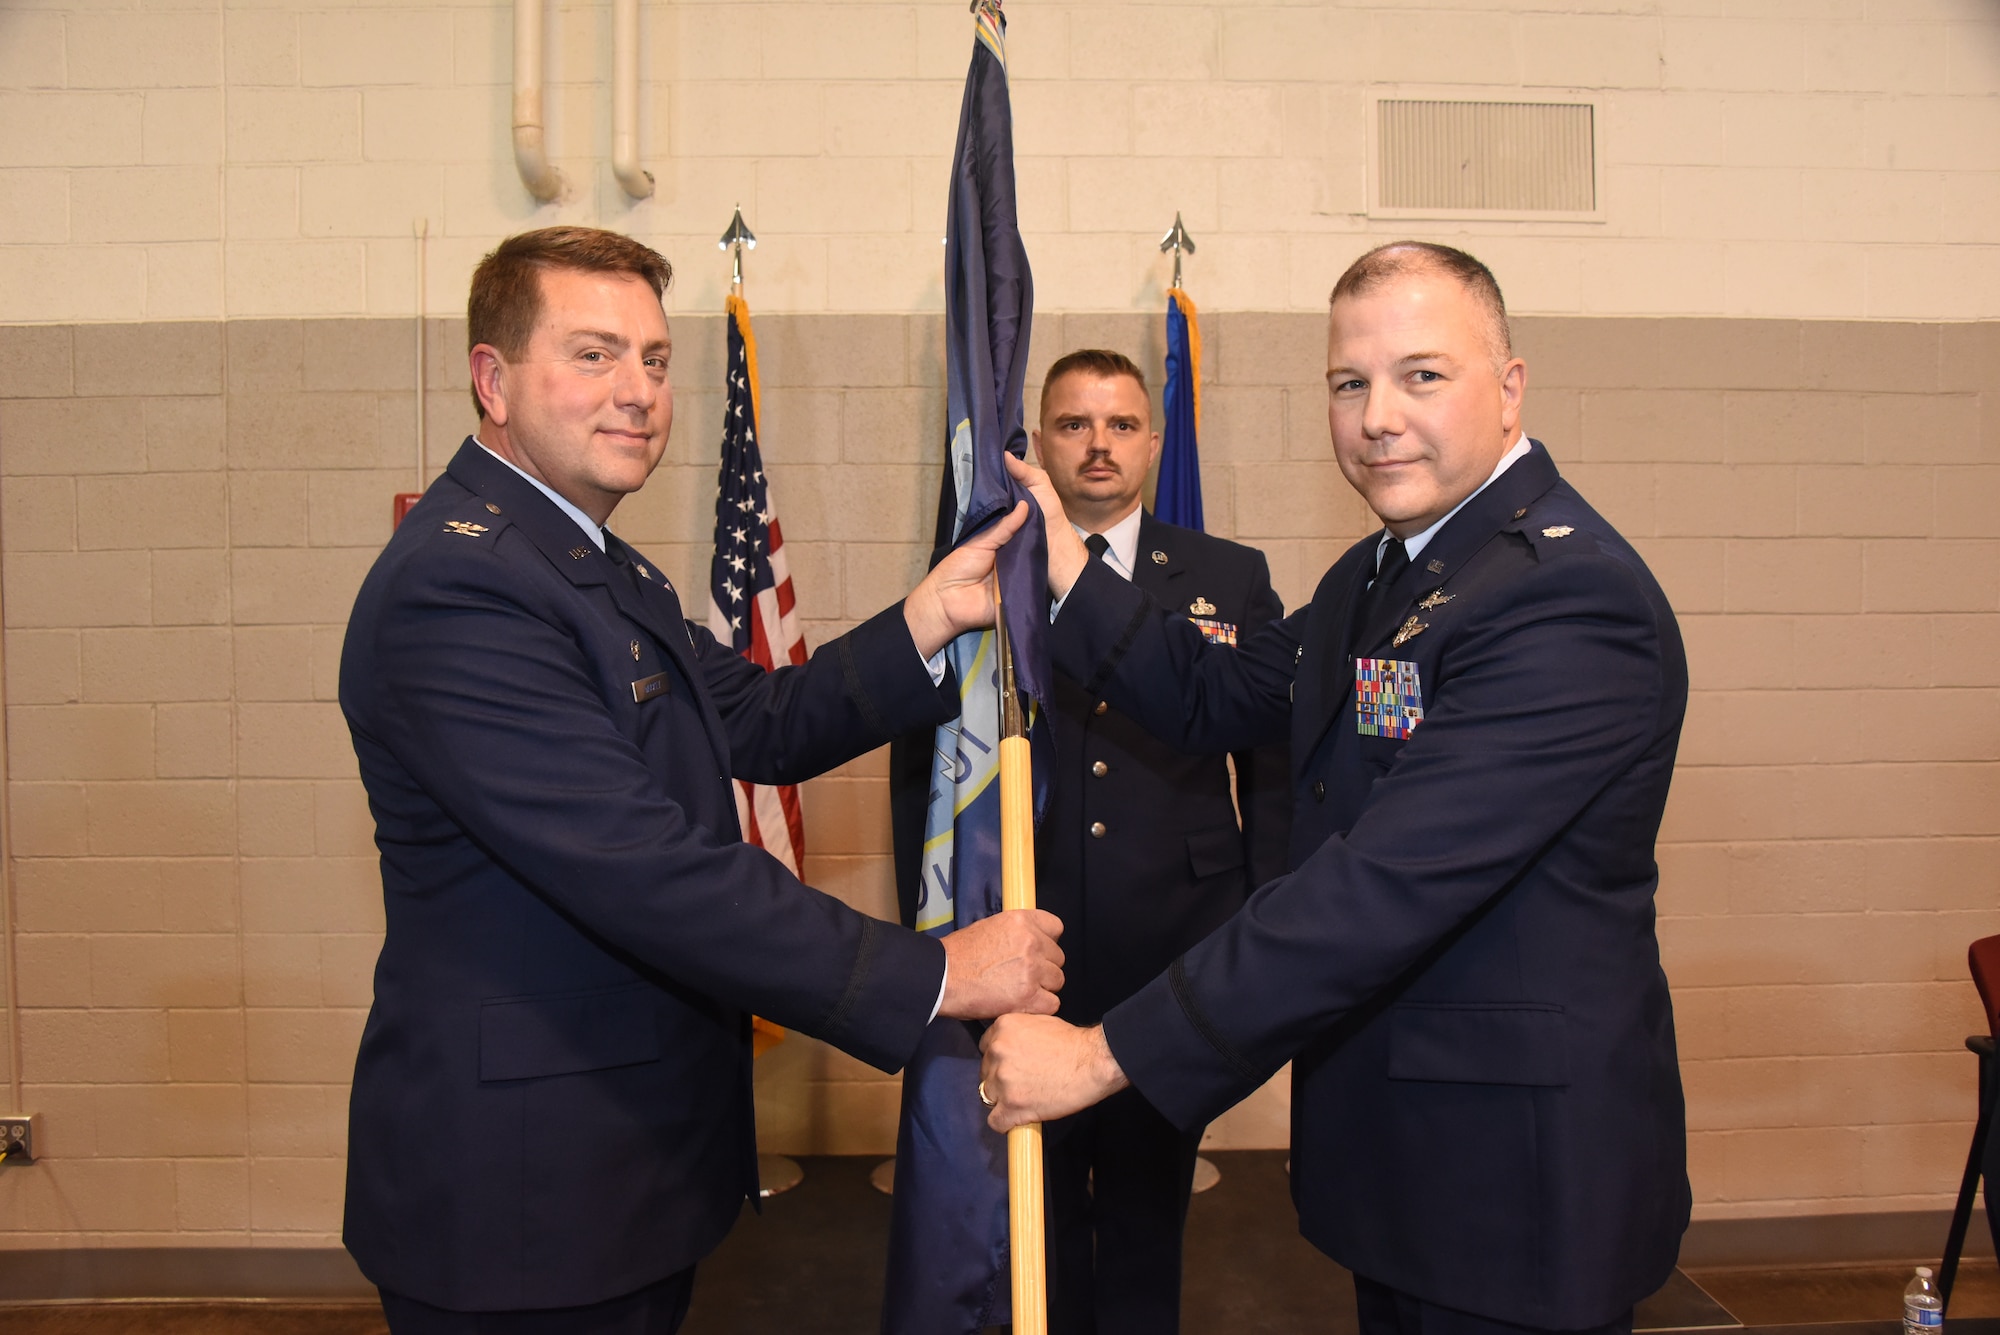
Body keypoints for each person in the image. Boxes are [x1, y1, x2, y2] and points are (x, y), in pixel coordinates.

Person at [338, 226, 1063, 1334]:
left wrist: (931, 615)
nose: (638, 393)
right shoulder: (462, 588)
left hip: (612, 1169)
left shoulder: (585, 561)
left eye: (655, 361)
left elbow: (758, 718)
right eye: (592, 356)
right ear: (493, 380)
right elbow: (646, 870)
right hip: (523, 1201)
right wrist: (930, 974)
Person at [983, 242, 1691, 1335]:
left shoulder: (1564, 600)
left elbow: (1377, 887)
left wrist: (1100, 1052)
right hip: (1401, 1159)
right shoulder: (1384, 575)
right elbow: (1217, 693)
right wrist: (1066, 570)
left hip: (1511, 1186)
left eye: (1421, 375)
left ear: (1507, 390)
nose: (1375, 418)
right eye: (1347, 383)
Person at [1027, 349, 1291, 1335]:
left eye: (1120, 424)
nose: (1098, 444)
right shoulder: (990, 566)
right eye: (1072, 423)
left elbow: (1269, 755)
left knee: (1147, 1202)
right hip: (1029, 938)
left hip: (1175, 939)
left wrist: (1266, 911)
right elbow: (935, 760)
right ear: (1040, 439)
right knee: (1036, 1206)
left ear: (1150, 440)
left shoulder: (1227, 574)